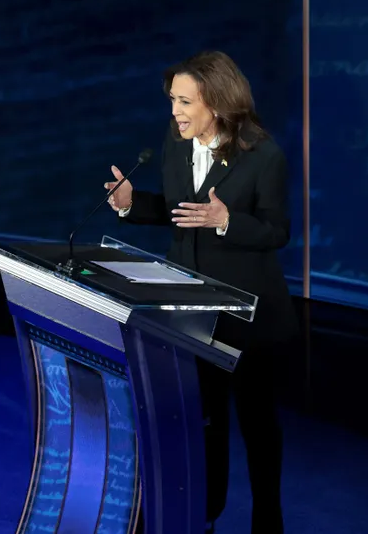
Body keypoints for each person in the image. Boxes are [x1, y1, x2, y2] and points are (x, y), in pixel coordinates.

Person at [105, 50, 296, 534]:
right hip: (191, 312)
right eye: (172, 101)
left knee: (257, 426)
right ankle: (204, 516)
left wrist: (228, 220)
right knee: (204, 421)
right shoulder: (176, 144)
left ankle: (267, 521)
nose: (176, 113)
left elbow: (277, 231)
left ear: (216, 101)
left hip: (249, 318)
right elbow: (178, 211)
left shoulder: (263, 154)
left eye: (185, 102)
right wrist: (131, 206)